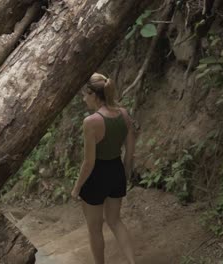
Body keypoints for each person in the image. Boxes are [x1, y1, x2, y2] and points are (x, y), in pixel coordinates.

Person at [71, 72, 136, 264]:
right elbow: (130, 152)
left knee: (95, 228)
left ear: (93, 94)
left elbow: (88, 162)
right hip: (116, 170)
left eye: (85, 95)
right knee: (115, 221)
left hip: (96, 176)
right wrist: (123, 174)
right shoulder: (124, 114)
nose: (84, 99)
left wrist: (76, 188)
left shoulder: (91, 122)